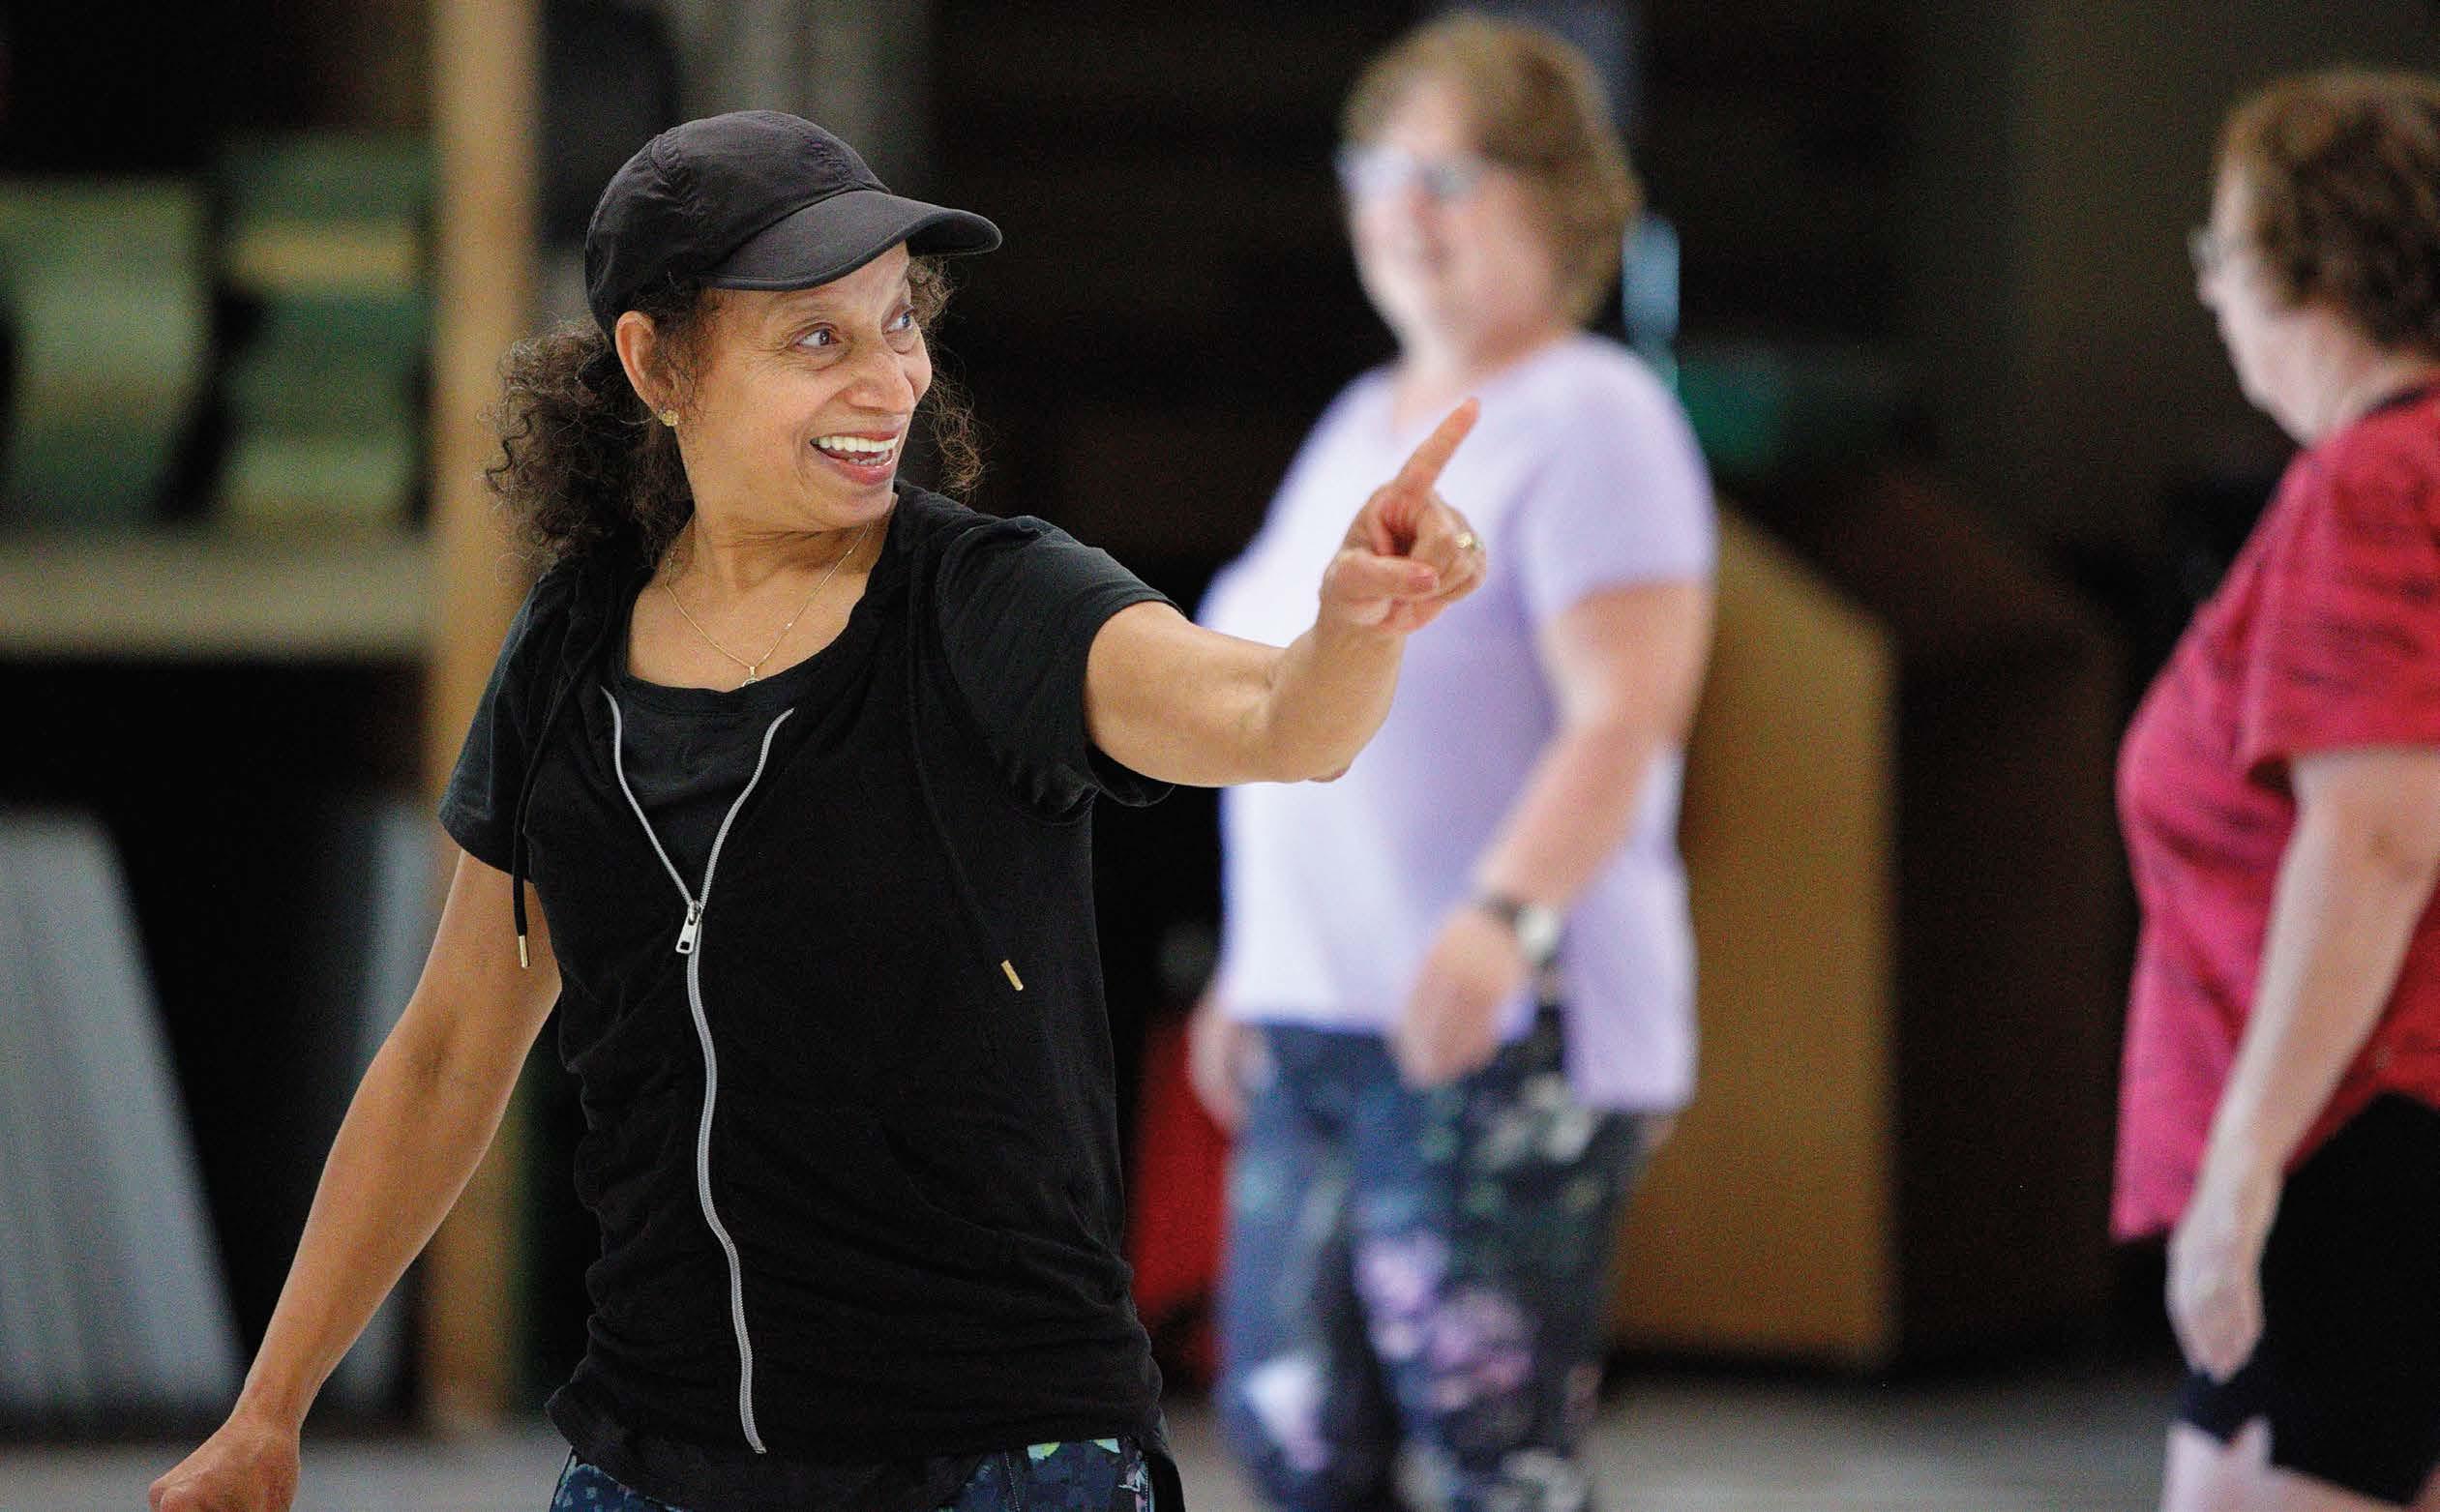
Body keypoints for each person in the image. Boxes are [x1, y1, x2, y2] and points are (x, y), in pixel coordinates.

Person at [149, 109, 1491, 1512]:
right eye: (815, 339)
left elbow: (1276, 720)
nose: (889, 378)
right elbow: (443, 1059)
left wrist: (1355, 630)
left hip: (1000, 1465)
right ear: (657, 365)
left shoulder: (993, 606)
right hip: (653, 1459)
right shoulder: (566, 656)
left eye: (900, 322)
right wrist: (268, 1412)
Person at [1186, 16, 1713, 1512]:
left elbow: (1626, 715)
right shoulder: (1361, 419)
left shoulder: (1594, 414)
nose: (1399, 211)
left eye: (1447, 177)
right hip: (1317, 1015)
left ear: (1556, 199)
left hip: (1495, 1020)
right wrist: (1251, 963)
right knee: (1291, 1434)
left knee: (1490, 1448)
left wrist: (1503, 920)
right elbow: (1288, 701)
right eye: (1375, 171)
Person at [2118, 70, 2440, 1512]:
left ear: (2301, 263)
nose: (2207, 288)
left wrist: (2240, 1170)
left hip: (2359, 1136)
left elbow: (2376, 844)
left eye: (2220, 246)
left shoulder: (2372, 487)